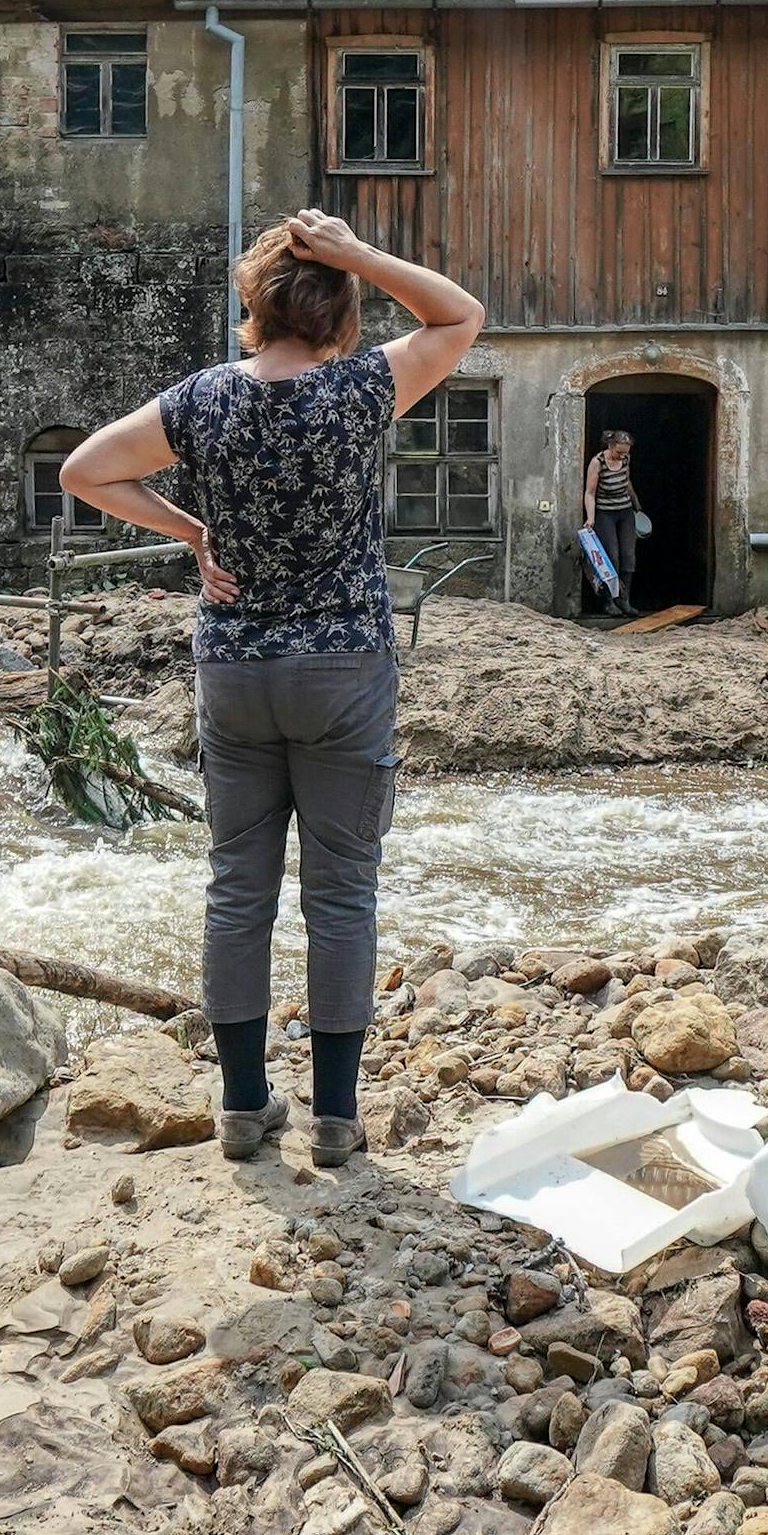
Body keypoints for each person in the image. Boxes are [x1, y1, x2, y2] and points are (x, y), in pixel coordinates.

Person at [59, 210, 484, 1166]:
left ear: (254, 308)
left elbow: (85, 471)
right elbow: (460, 319)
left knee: (237, 889)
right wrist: (361, 254)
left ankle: (244, 1108)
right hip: (344, 668)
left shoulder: (201, 400)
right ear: (341, 310)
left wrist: (192, 533)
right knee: (342, 895)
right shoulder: (361, 386)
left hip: (236, 670)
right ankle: (336, 1117)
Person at [584, 430, 642, 617]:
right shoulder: (597, 462)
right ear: (610, 446)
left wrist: (636, 503)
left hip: (624, 511)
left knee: (628, 557)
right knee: (612, 557)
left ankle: (624, 600)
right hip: (605, 513)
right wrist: (591, 517)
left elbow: (627, 482)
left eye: (626, 452)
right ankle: (608, 601)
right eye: (619, 452)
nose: (622, 456)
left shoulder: (625, 460)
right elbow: (590, 493)